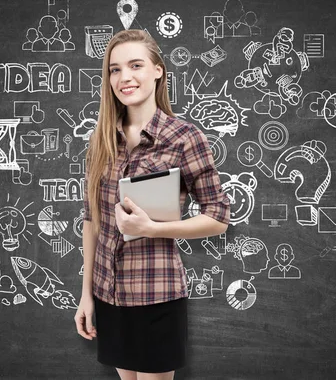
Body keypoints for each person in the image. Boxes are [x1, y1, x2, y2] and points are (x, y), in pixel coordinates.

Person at [74, 29, 231, 380]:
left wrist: (152, 229)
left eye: (135, 65)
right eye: (114, 69)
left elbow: (218, 217)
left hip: (155, 294)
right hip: (108, 294)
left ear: (158, 70)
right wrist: (86, 296)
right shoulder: (101, 139)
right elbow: (91, 220)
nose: (124, 77)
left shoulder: (184, 137)